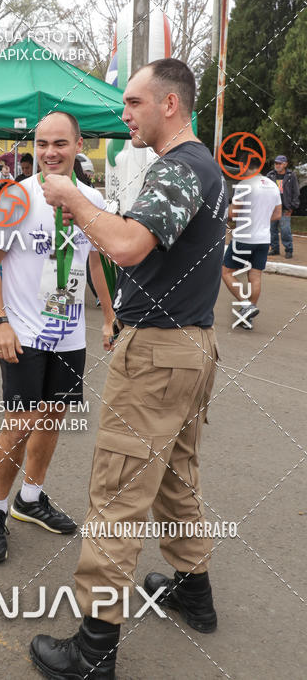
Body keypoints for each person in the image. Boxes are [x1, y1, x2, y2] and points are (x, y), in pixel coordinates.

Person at [29, 59, 227, 680]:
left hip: (157, 357)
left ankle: (93, 651)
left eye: (134, 103)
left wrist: (70, 197)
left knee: (116, 492)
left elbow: (127, 246)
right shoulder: (204, 167)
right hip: (190, 346)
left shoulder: (180, 166)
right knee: (176, 476)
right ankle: (194, 591)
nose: (125, 115)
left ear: (170, 104)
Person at [0, 111, 115, 564]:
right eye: (42, 144)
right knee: (19, 424)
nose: (50, 153)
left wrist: (109, 316)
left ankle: (30, 499)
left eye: (60, 143)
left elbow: (95, 260)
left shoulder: (91, 199)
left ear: (79, 145)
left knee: (52, 419)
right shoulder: (16, 197)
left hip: (68, 334)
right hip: (23, 334)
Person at [221, 159, 281, 330]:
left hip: (244, 238)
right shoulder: (272, 185)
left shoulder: (245, 184)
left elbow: (233, 213)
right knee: (255, 277)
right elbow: (278, 214)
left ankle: (246, 305)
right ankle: (248, 318)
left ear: (244, 166)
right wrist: (261, 220)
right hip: (264, 239)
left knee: (226, 272)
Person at [267, 154, 300, 258]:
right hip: (273, 208)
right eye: (276, 163)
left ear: (285, 164)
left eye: (280, 163)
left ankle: (289, 250)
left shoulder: (291, 175)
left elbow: (296, 192)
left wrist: (292, 207)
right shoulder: (270, 175)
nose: (277, 165)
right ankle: (275, 249)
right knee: (272, 230)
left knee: (285, 230)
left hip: (285, 208)